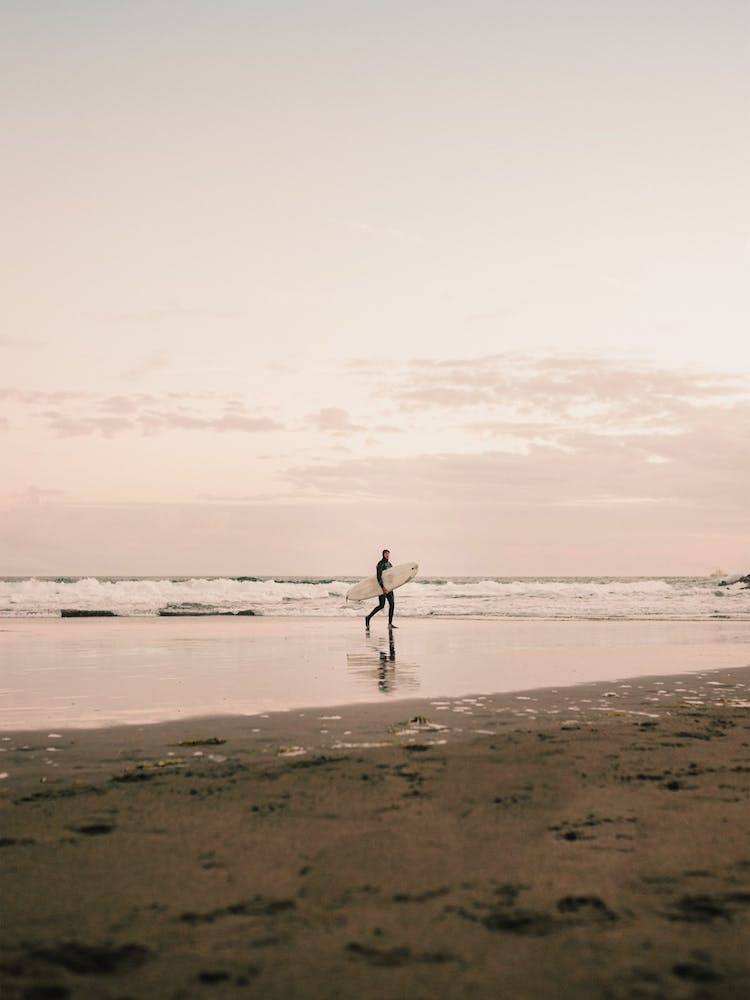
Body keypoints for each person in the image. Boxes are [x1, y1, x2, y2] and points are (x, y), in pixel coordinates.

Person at [365, 549, 396, 629]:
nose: (387, 555)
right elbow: (379, 577)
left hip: (389, 588)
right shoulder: (380, 564)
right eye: (386, 554)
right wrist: (382, 587)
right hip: (382, 588)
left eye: (388, 554)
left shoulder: (389, 564)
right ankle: (368, 617)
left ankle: (390, 624)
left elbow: (391, 575)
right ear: (383, 554)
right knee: (381, 605)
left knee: (392, 604)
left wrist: (392, 585)